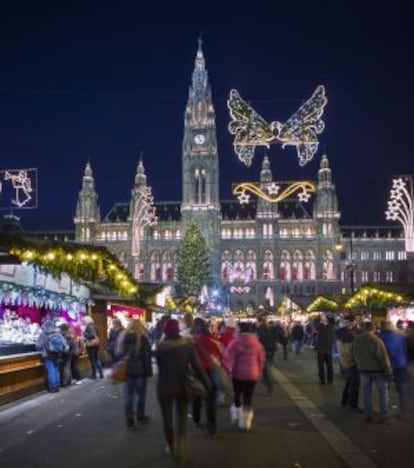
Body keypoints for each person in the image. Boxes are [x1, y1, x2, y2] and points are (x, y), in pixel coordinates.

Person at [156, 318, 212, 463]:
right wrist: (207, 384)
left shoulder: (159, 346)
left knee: (167, 419)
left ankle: (171, 445)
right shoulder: (187, 345)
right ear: (178, 330)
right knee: (181, 418)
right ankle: (182, 449)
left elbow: (160, 366)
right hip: (182, 385)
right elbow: (198, 367)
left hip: (164, 386)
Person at [223, 321, 265, 431]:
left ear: (240, 330)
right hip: (252, 374)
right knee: (248, 397)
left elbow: (228, 358)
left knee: (237, 395)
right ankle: (246, 422)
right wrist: (259, 371)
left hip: (237, 374)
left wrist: (229, 370)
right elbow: (261, 359)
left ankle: (236, 414)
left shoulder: (235, 342)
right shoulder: (257, 343)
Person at [353, 321, 393, 423]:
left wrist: (359, 366)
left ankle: (368, 414)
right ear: (373, 329)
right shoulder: (376, 341)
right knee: (383, 393)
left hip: (363, 370)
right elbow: (383, 358)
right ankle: (384, 415)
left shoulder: (357, 340)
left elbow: (355, 354)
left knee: (366, 393)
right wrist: (388, 372)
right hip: (377, 371)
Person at [191, 317, 223, 438]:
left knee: (196, 397)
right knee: (210, 401)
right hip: (209, 372)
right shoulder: (212, 340)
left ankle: (196, 418)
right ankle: (212, 429)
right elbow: (218, 356)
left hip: (196, 373)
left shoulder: (192, 342)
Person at [119, 319, 153, 429]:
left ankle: (130, 421)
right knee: (141, 395)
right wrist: (149, 373)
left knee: (129, 396)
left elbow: (119, 353)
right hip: (140, 371)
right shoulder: (143, 338)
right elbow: (147, 357)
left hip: (128, 370)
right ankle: (140, 416)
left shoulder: (124, 337)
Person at [378, 320, 410, 416]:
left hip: (385, 366)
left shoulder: (379, 337)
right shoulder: (400, 336)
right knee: (402, 389)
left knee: (384, 389)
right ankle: (403, 409)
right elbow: (404, 349)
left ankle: (385, 410)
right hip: (400, 364)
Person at [36, 320, 68, 393]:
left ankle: (53, 387)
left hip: (47, 355)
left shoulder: (43, 334)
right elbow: (64, 343)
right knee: (56, 369)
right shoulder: (57, 333)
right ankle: (57, 385)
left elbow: (38, 345)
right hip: (56, 354)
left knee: (51, 370)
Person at [336, 318, 361, 411]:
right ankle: (353, 404)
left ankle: (344, 400)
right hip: (351, 362)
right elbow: (351, 351)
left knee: (349, 381)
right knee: (354, 383)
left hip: (344, 361)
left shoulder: (339, 334)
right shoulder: (349, 336)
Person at [256, 317, 276, 394]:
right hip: (268, 350)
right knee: (264, 369)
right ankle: (268, 386)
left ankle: (268, 386)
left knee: (264, 370)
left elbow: (259, 339)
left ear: (260, 322)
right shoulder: (267, 328)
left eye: (257, 322)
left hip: (263, 350)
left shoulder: (260, 329)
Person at [313, 314, 335, 385]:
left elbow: (315, 325)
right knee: (329, 365)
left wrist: (319, 318)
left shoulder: (321, 327)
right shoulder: (332, 327)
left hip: (321, 349)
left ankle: (322, 380)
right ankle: (330, 380)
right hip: (329, 349)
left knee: (321, 365)